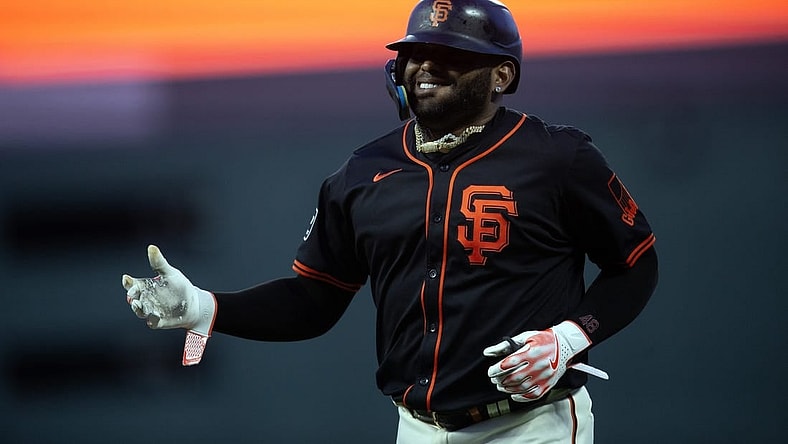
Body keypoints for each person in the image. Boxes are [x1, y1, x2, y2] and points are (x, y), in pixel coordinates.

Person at [122, 1, 658, 442]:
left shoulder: (558, 157)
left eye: (449, 53)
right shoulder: (362, 172)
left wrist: (569, 337)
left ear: (501, 74)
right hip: (415, 428)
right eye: (415, 52)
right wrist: (204, 307)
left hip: (529, 426)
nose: (425, 66)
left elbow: (636, 265)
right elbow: (313, 301)